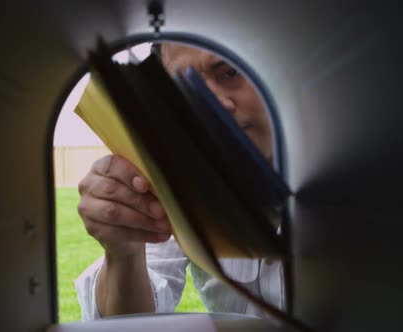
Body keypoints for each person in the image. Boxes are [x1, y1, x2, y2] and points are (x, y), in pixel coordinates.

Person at [75, 43, 284, 321]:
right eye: (184, 89)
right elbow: (130, 321)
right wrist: (124, 253)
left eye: (230, 72)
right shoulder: (179, 179)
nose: (218, 105)